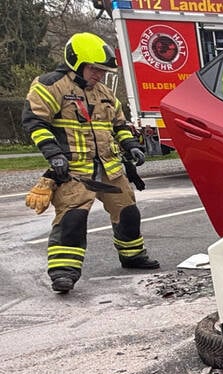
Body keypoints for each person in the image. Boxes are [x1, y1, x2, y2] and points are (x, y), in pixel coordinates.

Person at [22, 32, 159, 294]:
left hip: (109, 167)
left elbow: (119, 124)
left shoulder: (105, 93)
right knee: (73, 218)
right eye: (94, 69)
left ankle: (132, 256)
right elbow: (35, 122)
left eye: (102, 71)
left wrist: (131, 146)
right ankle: (64, 272)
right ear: (76, 62)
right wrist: (54, 154)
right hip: (74, 170)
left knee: (128, 212)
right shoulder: (51, 86)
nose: (99, 75)